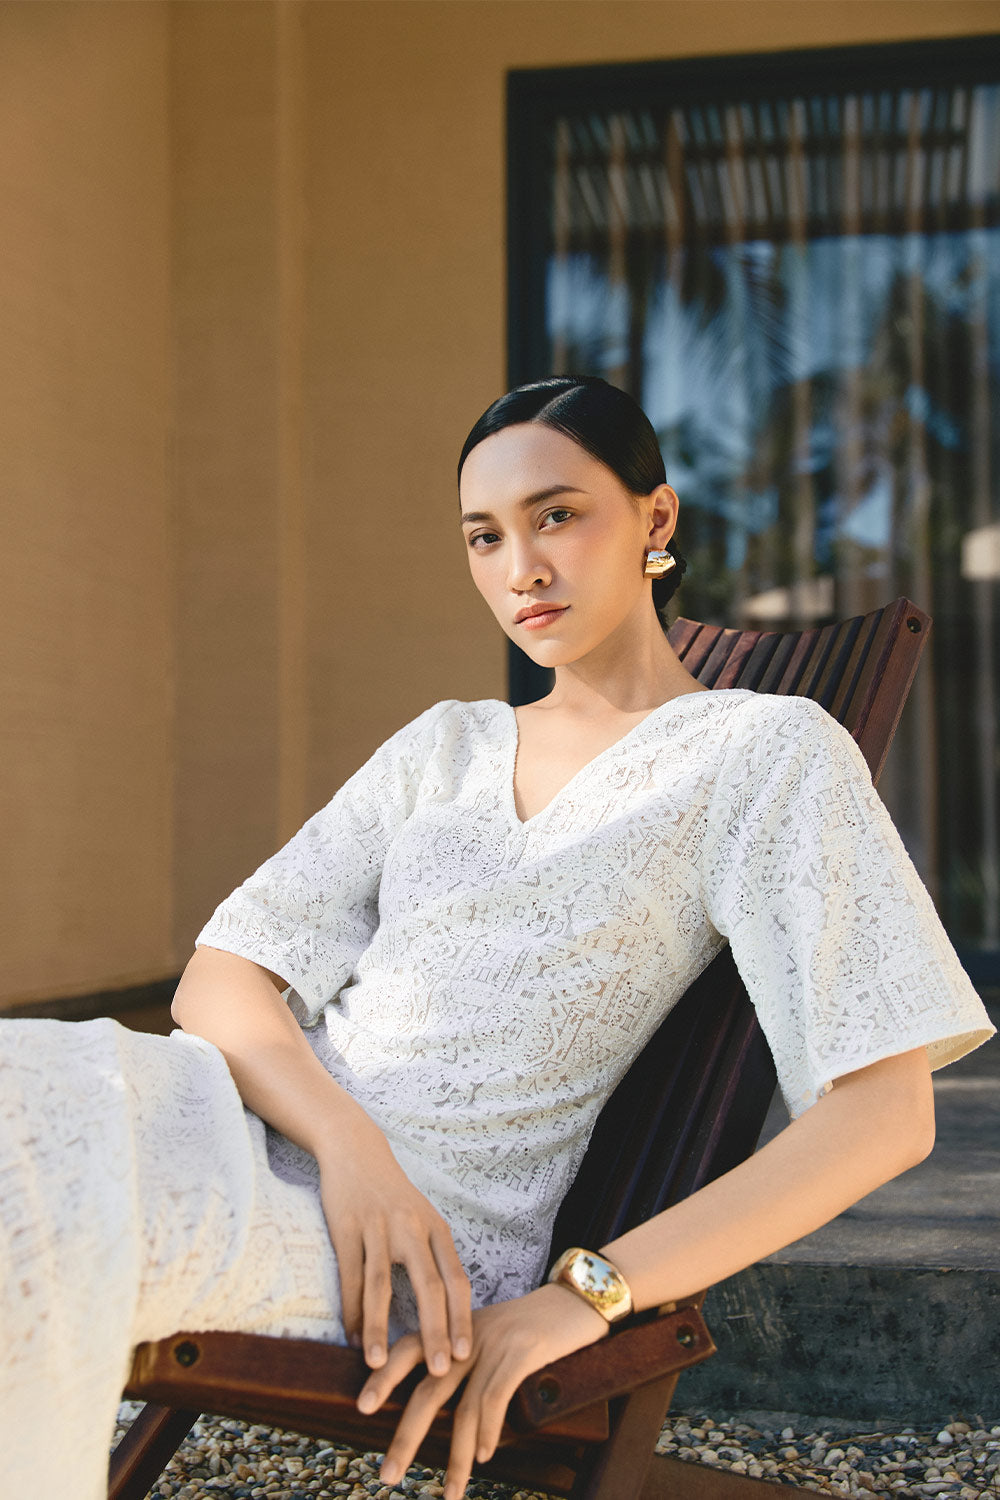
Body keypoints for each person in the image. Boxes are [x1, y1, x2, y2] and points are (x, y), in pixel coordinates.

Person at [0, 377, 993, 1500]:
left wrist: (588, 1296)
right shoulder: (446, 745)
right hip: (243, 1124)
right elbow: (223, 974)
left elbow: (885, 1114)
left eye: (556, 515)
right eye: (485, 536)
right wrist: (351, 1151)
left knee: (31, 1207)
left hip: (410, 1246)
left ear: (656, 517)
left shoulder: (764, 752)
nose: (521, 567)